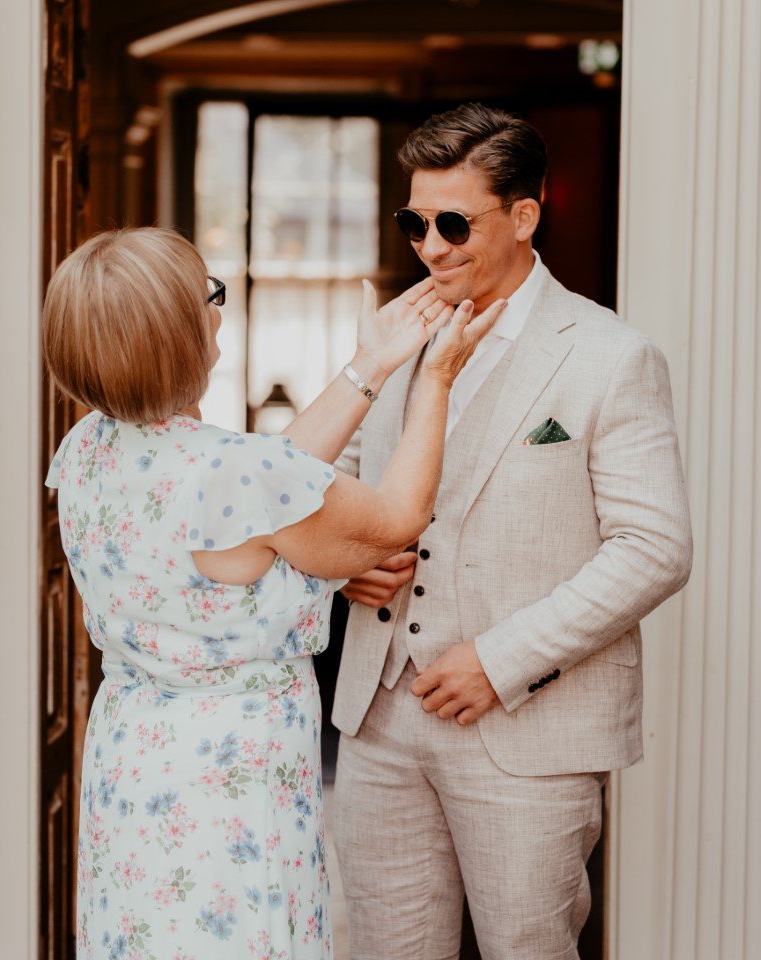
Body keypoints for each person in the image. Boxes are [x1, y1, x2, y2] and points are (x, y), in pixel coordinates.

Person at [42, 226, 503, 959]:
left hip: (134, 761)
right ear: (188, 332)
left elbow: (268, 482)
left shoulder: (87, 447)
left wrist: (367, 367)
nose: (217, 308)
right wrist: (437, 377)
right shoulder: (235, 471)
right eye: (208, 295)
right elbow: (396, 520)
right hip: (231, 771)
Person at [332, 102, 693, 960]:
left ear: (524, 216)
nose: (429, 246)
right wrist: (345, 563)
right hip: (379, 718)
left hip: (526, 731)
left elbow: (655, 547)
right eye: (413, 222)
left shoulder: (611, 355)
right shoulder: (399, 336)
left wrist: (501, 661)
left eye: (453, 222)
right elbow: (336, 482)